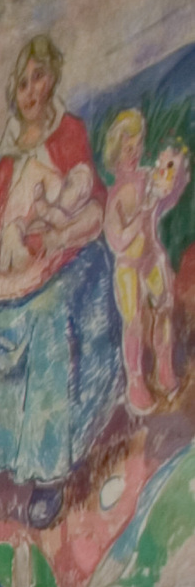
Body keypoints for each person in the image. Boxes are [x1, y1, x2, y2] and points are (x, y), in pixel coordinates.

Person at [0, 33, 121, 529]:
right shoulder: (3, 173)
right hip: (12, 290)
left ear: (52, 77)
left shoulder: (69, 134)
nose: (32, 90)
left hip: (69, 275)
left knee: (46, 314)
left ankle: (48, 473)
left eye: (38, 77)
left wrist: (50, 254)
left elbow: (95, 206)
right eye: (22, 83)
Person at [99, 109, 188, 413]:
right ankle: (136, 382)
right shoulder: (116, 196)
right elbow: (115, 238)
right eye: (128, 149)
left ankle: (164, 366)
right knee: (134, 320)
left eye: (138, 146)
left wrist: (174, 180)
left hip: (152, 256)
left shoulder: (148, 177)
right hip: (128, 266)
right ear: (115, 153)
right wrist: (137, 219)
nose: (135, 153)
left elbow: (165, 201)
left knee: (163, 306)